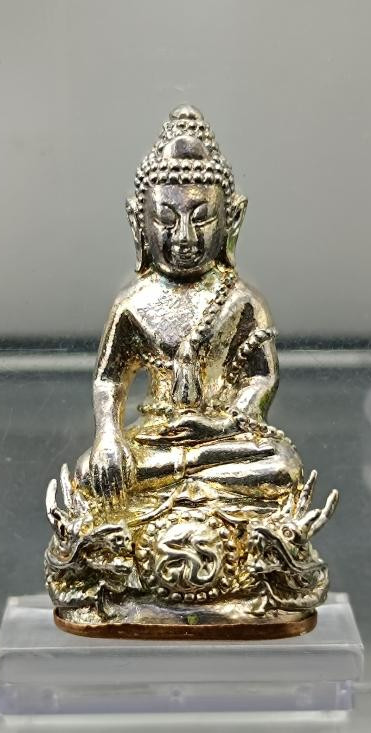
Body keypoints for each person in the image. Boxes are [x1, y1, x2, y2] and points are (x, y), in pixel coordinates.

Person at [75, 105, 303, 511]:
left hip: (223, 436)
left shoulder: (242, 301)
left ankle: (185, 472)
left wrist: (222, 422)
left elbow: (262, 377)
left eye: (201, 218)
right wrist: (108, 436)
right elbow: (109, 380)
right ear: (138, 221)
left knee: (282, 466)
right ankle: (189, 474)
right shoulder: (132, 304)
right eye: (166, 218)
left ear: (231, 220)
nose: (183, 237)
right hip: (156, 436)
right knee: (89, 473)